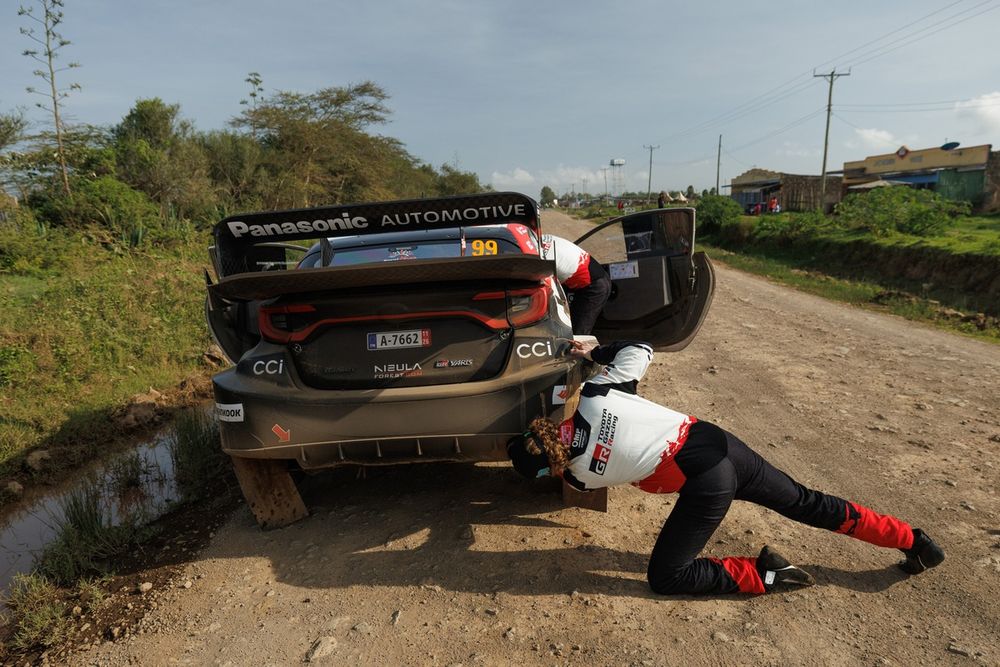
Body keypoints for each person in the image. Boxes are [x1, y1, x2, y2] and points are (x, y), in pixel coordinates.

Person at [507, 339, 945, 596]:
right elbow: (640, 348)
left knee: (666, 577)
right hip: (716, 441)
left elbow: (628, 471)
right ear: (544, 427)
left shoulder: (583, 477)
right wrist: (594, 351)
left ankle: (766, 573)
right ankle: (913, 539)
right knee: (805, 501)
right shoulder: (598, 393)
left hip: (706, 484)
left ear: (552, 473)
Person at [539, 235, 612, 335]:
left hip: (594, 286)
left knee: (577, 334)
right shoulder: (535, 238)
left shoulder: (535, 256)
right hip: (589, 274)